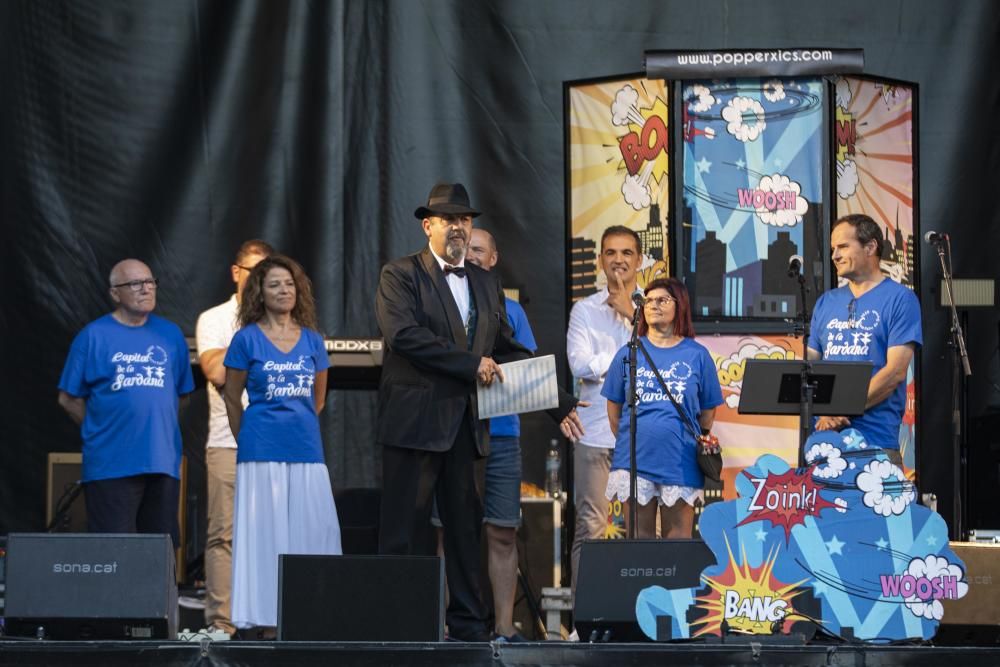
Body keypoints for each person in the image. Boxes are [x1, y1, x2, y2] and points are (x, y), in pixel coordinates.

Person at [375, 182, 583, 642]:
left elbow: (507, 347)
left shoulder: (486, 283)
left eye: (465, 219)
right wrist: (472, 364)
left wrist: (558, 402)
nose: (458, 227)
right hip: (414, 425)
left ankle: (469, 627)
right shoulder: (401, 274)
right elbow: (405, 335)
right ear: (428, 225)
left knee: (466, 532)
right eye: (449, 219)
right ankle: (397, 626)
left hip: (466, 428)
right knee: (404, 532)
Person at [222, 254, 342, 634]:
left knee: (312, 532)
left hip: (305, 448)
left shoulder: (312, 340)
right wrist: (251, 437)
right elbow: (231, 396)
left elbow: (318, 399)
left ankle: (309, 614)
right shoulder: (246, 339)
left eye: (289, 284)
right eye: (274, 284)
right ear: (259, 291)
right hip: (260, 449)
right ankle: (266, 620)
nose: (283, 290)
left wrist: (295, 424)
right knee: (265, 536)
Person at [57, 259, 194, 547]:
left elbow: (181, 395)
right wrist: (101, 427)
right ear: (115, 294)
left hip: (162, 462)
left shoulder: (170, 335)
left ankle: (156, 597)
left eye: (150, 281)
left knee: (159, 553)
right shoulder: (93, 336)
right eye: (135, 283)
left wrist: (155, 427)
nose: (145, 289)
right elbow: (68, 398)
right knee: (115, 554)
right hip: (111, 464)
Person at [602, 278, 723, 538]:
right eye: (649, 300)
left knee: (677, 543)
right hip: (634, 460)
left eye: (662, 300)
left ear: (680, 306)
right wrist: (638, 439)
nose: (653, 305)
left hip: (680, 460)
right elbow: (614, 410)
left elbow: (708, 412)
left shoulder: (697, 355)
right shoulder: (628, 353)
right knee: (638, 545)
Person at [195, 239, 273, 636]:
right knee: (224, 535)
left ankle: (266, 622)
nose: (260, 280)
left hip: (273, 443)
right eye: (253, 271)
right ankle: (222, 624)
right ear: (236, 273)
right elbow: (218, 373)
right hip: (228, 441)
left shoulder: (282, 320)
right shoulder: (214, 318)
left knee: (270, 534)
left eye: (267, 272)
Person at [463, 227, 536, 641]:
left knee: (502, 530)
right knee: (448, 532)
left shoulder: (513, 311)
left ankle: (505, 628)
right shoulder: (445, 303)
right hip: (454, 435)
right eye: (466, 249)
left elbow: (527, 368)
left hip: (503, 433)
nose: (471, 255)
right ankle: (445, 626)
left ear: (493, 260)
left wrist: (491, 365)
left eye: (479, 250)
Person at [808, 213, 922, 459]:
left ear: (870, 246)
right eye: (832, 249)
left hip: (876, 441)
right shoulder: (825, 303)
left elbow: (894, 373)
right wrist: (826, 413)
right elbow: (810, 370)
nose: (835, 255)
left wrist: (842, 410)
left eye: (843, 247)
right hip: (823, 441)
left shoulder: (901, 299)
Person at [565, 226, 641, 595]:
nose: (619, 261)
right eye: (611, 253)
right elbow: (579, 365)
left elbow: (663, 362)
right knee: (590, 528)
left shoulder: (654, 308)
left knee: (643, 528)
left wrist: (633, 314)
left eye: (627, 253)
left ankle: (645, 618)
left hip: (644, 433)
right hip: (595, 433)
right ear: (600, 261)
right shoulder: (584, 310)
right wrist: (627, 359)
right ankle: (585, 620)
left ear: (639, 260)